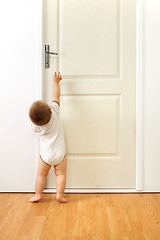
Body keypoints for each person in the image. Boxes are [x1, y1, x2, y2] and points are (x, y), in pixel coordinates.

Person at [29, 72, 67, 203]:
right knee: (61, 174)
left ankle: (38, 194)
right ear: (50, 111)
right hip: (59, 154)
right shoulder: (55, 112)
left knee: (41, 174)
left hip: (45, 155)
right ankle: (60, 194)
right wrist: (56, 82)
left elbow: (34, 125)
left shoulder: (37, 127)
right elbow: (56, 96)